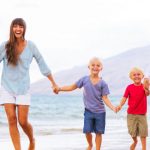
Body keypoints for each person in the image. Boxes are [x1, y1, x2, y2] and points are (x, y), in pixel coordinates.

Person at [0, 18, 58, 150]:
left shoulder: (31, 46)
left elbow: (42, 63)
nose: (18, 29)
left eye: (20, 26)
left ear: (24, 29)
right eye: (15, 26)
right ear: (12, 29)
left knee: (22, 121)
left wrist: (53, 83)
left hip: (23, 88)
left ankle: (32, 140)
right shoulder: (5, 46)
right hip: (6, 87)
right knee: (11, 119)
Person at [56, 57, 116, 150]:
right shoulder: (84, 79)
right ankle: (90, 145)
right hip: (88, 111)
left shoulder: (103, 83)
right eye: (93, 65)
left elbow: (105, 98)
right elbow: (72, 87)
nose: (95, 67)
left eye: (98, 65)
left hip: (100, 112)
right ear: (89, 67)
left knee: (99, 132)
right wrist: (60, 89)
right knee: (87, 131)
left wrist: (113, 107)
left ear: (101, 68)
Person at [116, 67, 149, 150]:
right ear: (131, 77)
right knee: (132, 132)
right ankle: (135, 142)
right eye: (134, 75)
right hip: (131, 114)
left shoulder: (143, 86)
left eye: (138, 74)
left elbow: (147, 93)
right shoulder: (129, 87)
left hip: (142, 115)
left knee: (143, 133)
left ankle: (144, 148)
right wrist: (120, 105)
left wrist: (147, 86)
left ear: (142, 76)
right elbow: (124, 98)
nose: (136, 76)